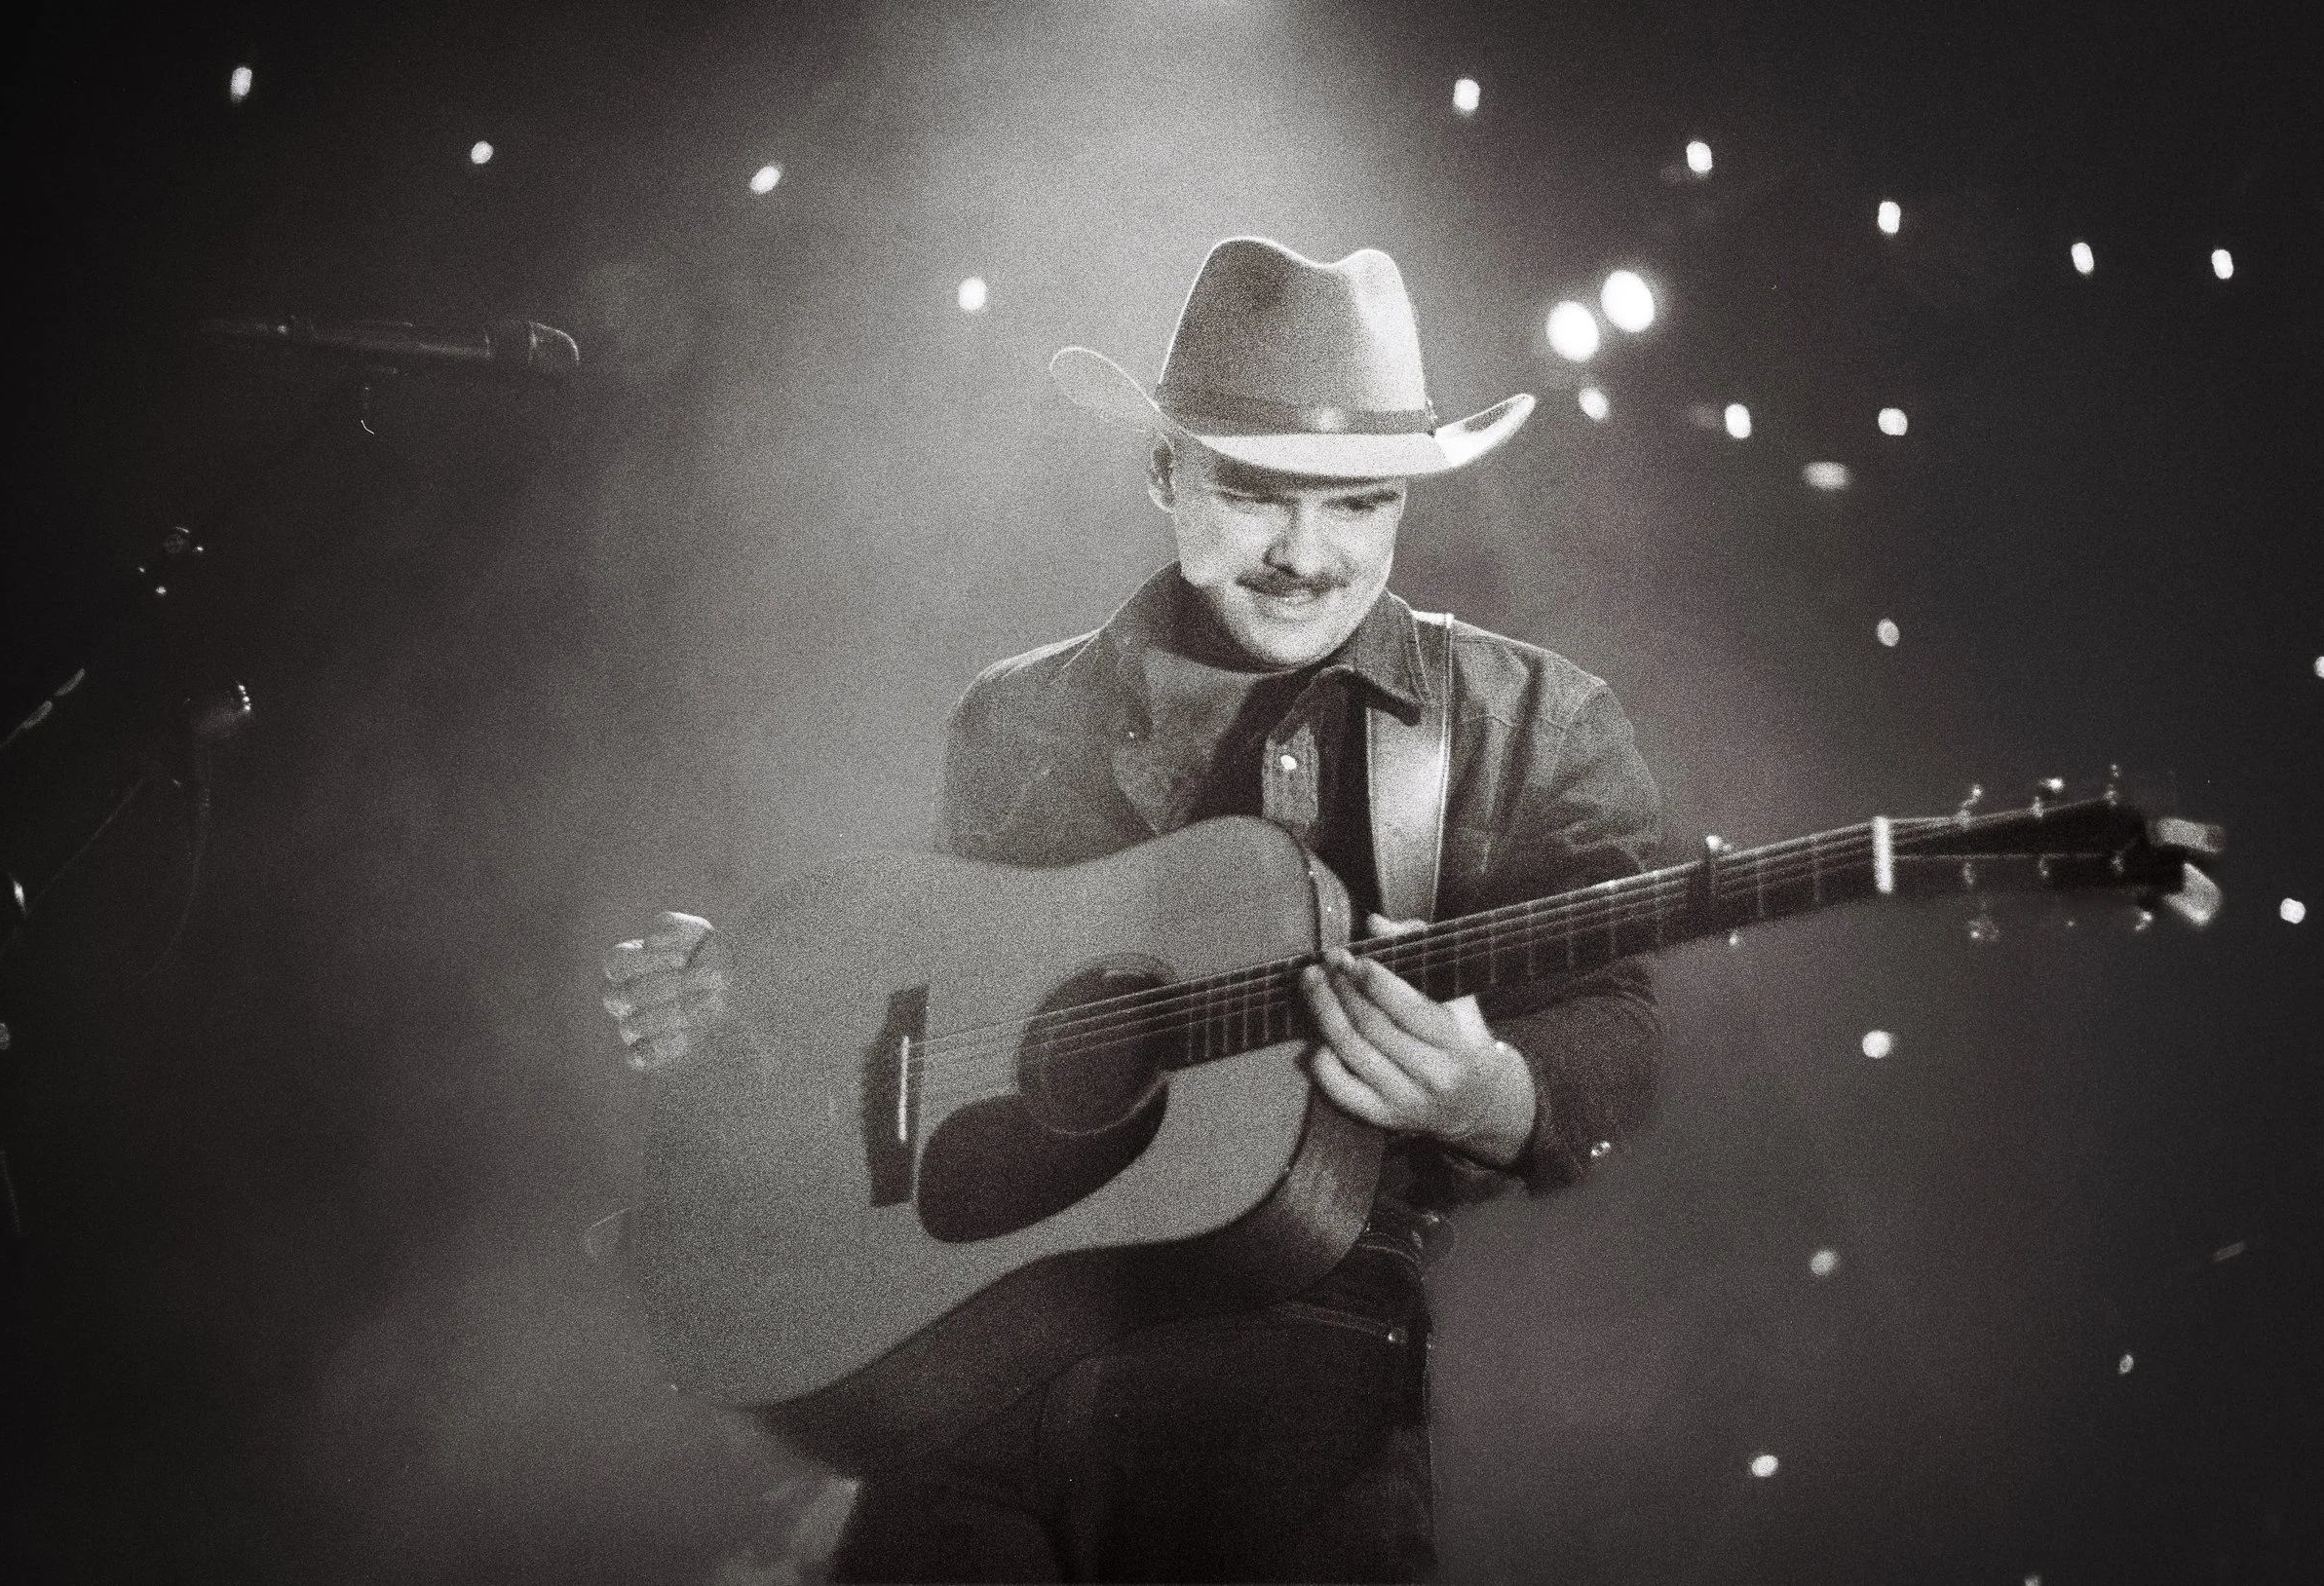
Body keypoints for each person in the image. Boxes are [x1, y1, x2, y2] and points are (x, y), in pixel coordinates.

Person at [603, 237, 1663, 1582]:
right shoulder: (1016, 715)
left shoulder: (1528, 718)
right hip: (973, 1376)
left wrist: (1493, 1092)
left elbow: (1620, 1017)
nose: (1306, 553)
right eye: (1255, 493)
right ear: (1164, 472)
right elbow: (932, 1020)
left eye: (1359, 505)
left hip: (1292, 1379)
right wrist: (746, 1005)